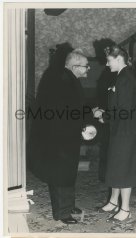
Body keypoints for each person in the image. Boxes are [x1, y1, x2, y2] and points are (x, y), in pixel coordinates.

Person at [27, 44, 90, 224]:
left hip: (66, 136)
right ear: (74, 67)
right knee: (61, 174)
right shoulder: (62, 80)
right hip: (59, 138)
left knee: (68, 173)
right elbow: (61, 111)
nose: (88, 69)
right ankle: (62, 213)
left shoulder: (67, 78)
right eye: (86, 66)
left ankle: (68, 206)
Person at [94, 45, 136, 222]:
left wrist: (104, 117)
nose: (107, 64)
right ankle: (113, 201)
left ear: (119, 59)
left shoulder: (126, 78)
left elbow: (124, 110)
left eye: (109, 60)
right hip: (119, 129)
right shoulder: (120, 76)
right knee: (115, 165)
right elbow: (118, 105)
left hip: (125, 130)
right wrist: (105, 113)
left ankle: (125, 209)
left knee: (124, 168)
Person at [93, 38, 117, 182]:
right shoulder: (108, 70)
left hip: (112, 115)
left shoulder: (117, 72)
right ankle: (107, 177)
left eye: (107, 52)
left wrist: (106, 114)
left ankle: (110, 177)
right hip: (105, 113)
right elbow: (102, 92)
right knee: (106, 145)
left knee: (110, 147)